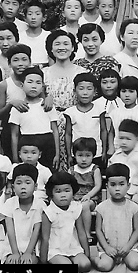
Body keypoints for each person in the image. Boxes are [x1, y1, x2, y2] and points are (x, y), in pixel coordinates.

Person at [43, 30, 88, 171]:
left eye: (66, 43)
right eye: (57, 44)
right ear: (51, 48)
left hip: (76, 123)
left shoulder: (82, 72)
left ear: (73, 47)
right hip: (50, 124)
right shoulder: (44, 73)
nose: (61, 47)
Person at [92, 163, 138, 271]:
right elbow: (98, 230)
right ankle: (94, 259)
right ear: (107, 186)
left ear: (128, 185)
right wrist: (106, 248)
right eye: (113, 185)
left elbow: (137, 230)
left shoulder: (133, 207)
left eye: (121, 184)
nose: (117, 189)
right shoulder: (101, 208)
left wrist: (128, 247)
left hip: (128, 247)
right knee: (104, 266)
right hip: (108, 247)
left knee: (136, 264)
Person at [41, 171, 92, 271]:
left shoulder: (76, 208)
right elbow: (45, 238)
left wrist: (87, 254)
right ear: (51, 193)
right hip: (55, 249)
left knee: (85, 265)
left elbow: (81, 233)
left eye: (67, 190)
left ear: (73, 191)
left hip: (72, 246)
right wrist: (43, 261)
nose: (63, 195)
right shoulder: (49, 212)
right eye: (58, 191)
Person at [9, 66, 59, 167]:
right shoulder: (18, 108)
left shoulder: (47, 105)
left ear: (43, 87)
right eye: (30, 82)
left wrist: (57, 154)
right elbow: (14, 135)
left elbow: (55, 130)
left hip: (47, 144)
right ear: (22, 85)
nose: (34, 86)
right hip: (27, 144)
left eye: (38, 82)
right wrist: (15, 157)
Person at [2, 163, 43, 265]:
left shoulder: (40, 204)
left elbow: (36, 230)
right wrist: (15, 253)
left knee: (28, 263)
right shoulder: (9, 203)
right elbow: (10, 230)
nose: (23, 187)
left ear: (36, 186)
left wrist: (28, 252)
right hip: (12, 247)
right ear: (13, 186)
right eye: (19, 183)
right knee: (11, 263)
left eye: (27, 183)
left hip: (32, 248)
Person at [64, 72, 104, 165]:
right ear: (74, 91)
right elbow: (68, 134)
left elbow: (103, 131)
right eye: (81, 89)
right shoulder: (70, 112)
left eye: (89, 89)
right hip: (77, 154)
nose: (85, 93)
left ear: (95, 91)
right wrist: (69, 155)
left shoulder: (100, 110)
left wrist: (104, 151)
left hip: (96, 153)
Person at [108, 119, 138, 200]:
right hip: (120, 190)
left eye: (128, 139)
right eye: (121, 138)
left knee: (137, 199)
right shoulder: (115, 157)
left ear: (137, 139)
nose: (124, 142)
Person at [69, 137, 102, 239]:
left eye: (88, 155)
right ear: (74, 155)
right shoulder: (72, 170)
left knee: (84, 206)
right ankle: (72, 233)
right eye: (80, 155)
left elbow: (97, 185)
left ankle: (87, 233)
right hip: (75, 197)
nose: (84, 159)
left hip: (90, 199)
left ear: (93, 155)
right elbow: (68, 185)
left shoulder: (94, 169)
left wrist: (88, 195)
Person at [106, 76, 138, 154]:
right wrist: (111, 148)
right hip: (118, 151)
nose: (127, 95)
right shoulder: (115, 112)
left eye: (131, 91)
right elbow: (112, 132)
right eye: (123, 91)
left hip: (136, 152)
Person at [10, 137, 52, 202]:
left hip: (41, 201)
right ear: (19, 154)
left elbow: (51, 188)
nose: (29, 156)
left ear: (39, 154)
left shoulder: (45, 170)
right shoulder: (15, 167)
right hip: (19, 201)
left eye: (33, 153)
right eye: (25, 152)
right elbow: (10, 184)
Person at [19, 0, 50, 66]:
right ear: (25, 18)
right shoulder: (19, 37)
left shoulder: (49, 36)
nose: (33, 17)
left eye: (37, 14)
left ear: (44, 18)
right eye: (30, 14)